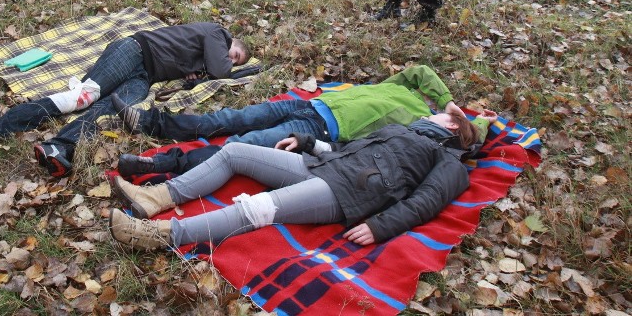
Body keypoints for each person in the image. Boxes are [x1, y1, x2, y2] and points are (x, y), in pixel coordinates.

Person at [108, 113, 482, 251]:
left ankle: (159, 236)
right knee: (236, 151)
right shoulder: (402, 130)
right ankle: (155, 196)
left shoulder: (450, 161)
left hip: (347, 193)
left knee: (258, 208)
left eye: (440, 113)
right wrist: (308, 143)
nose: (431, 111)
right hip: (324, 167)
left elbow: (427, 202)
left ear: (451, 125)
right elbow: (346, 148)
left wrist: (382, 226)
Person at [0, 23, 251, 178]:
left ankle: (59, 146)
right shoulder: (218, 33)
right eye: (235, 55)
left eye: (236, 61)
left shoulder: (208, 52)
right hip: (135, 51)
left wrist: (194, 74)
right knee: (83, 97)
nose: (230, 60)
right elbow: (221, 70)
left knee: (108, 110)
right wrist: (226, 67)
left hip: (145, 77)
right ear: (232, 41)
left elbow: (209, 68)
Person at [112, 65, 491, 177]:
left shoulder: (417, 126)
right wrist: (450, 102)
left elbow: (470, 143)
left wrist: (480, 123)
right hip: (308, 105)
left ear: (452, 126)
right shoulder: (408, 92)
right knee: (231, 117)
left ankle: (158, 164)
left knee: (238, 146)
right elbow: (420, 71)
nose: (442, 110)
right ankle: (150, 124)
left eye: (451, 117)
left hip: (316, 130)